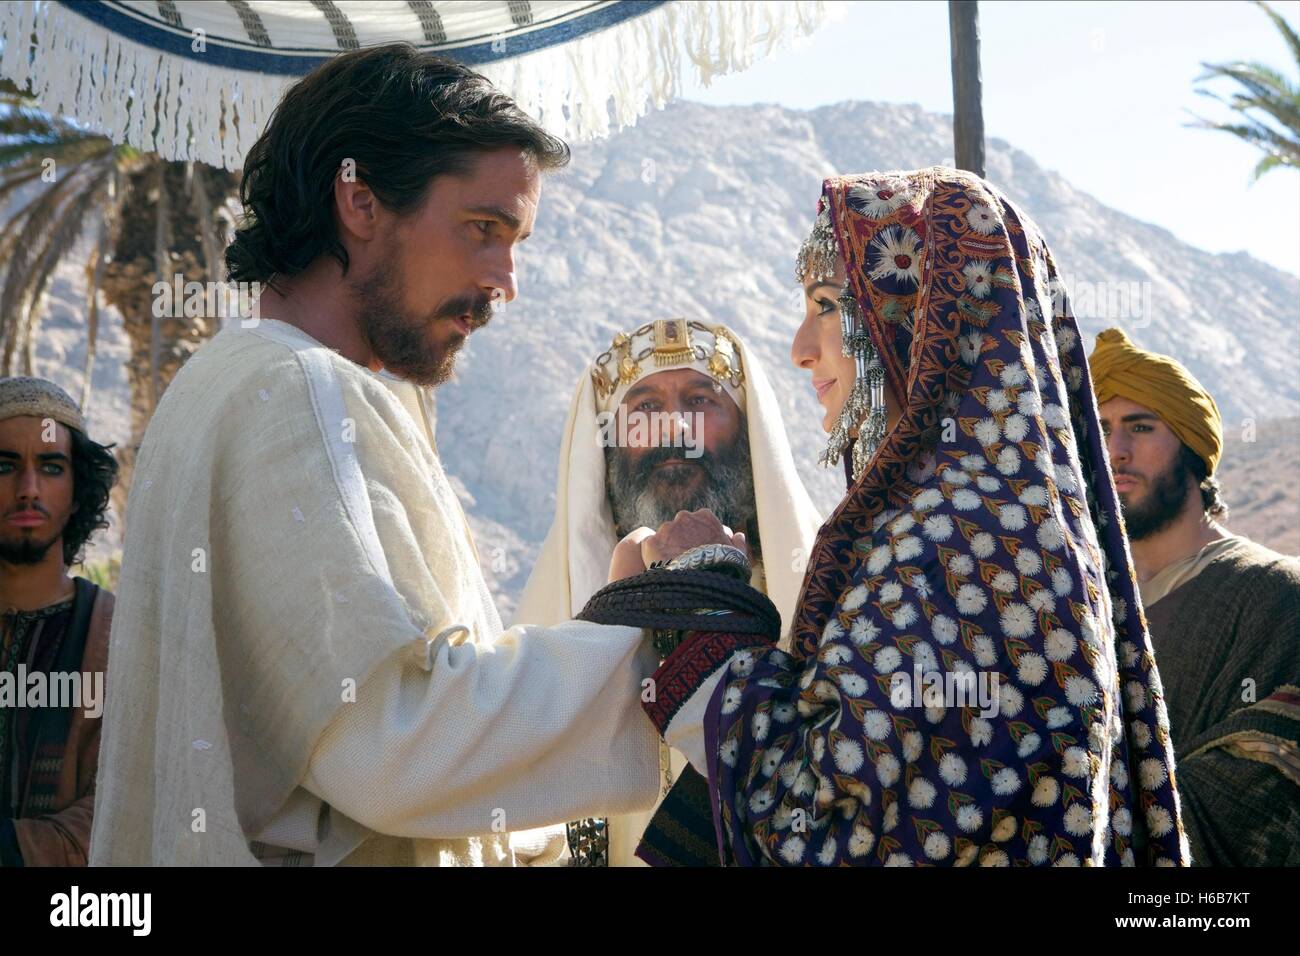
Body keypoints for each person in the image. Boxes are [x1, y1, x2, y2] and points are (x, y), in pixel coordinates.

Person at [89, 44, 733, 866]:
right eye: (483, 230)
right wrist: (652, 628)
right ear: (360, 200)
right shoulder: (295, 392)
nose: (505, 280)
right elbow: (393, 745)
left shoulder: (238, 381)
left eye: (516, 242)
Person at [618, 167, 1189, 865]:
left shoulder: (961, 546)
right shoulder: (1002, 522)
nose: (800, 348)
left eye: (827, 305)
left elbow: (830, 823)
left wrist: (702, 600)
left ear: (917, 317)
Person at [514, 319, 822, 864]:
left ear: (748, 433)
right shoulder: (547, 616)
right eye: (646, 408)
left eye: (701, 400)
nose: (676, 427)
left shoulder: (822, 606)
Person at [1090, 327, 1299, 865]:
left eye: (1140, 427)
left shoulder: (1277, 594)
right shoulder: (1080, 603)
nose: (1116, 451)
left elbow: (1265, 792)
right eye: (1101, 429)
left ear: (1191, 445)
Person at [0, 377, 117, 866]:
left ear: (77, 491)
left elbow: (130, 797)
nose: (28, 490)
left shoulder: (119, 637)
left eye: (51, 467)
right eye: (5, 466)